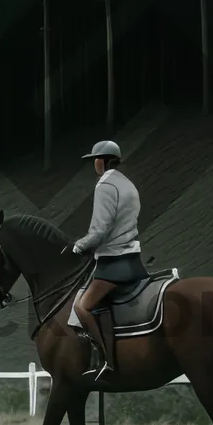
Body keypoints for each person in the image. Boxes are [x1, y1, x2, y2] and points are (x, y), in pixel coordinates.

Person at [70, 140, 144, 380]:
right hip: (133, 258)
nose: (94, 164)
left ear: (102, 160)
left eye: (95, 159)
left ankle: (106, 361)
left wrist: (78, 246)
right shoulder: (128, 185)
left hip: (114, 263)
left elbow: (99, 231)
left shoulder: (105, 185)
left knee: (82, 306)